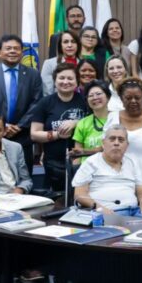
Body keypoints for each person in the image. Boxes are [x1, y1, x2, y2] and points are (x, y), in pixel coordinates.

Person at [0, 35, 42, 174]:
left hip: (23, 135)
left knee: (24, 176)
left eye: (16, 48)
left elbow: (37, 102)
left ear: (22, 52)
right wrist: (3, 126)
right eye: (8, 48)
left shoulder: (33, 74)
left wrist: (19, 126)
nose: (12, 51)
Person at [72, 125, 142, 217]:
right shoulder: (91, 163)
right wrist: (99, 208)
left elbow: (140, 189)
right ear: (103, 143)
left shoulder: (131, 163)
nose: (116, 143)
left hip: (134, 212)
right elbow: (79, 195)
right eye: (112, 139)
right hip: (103, 213)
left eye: (121, 140)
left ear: (127, 145)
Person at [30, 63, 87, 192]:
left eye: (70, 78)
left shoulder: (84, 101)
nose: (65, 82)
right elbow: (34, 134)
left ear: (77, 82)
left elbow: (93, 121)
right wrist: (57, 134)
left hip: (81, 161)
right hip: (53, 164)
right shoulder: (45, 102)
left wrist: (76, 122)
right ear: (55, 81)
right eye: (61, 78)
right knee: (58, 198)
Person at [72, 81, 110, 162]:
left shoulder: (117, 118)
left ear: (108, 97)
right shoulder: (82, 123)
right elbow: (77, 155)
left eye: (98, 94)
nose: (95, 98)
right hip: (87, 168)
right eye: (91, 95)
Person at [41, 30, 80, 95]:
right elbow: (47, 92)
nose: (70, 45)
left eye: (73, 42)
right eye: (66, 42)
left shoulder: (83, 64)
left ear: (78, 45)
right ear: (60, 45)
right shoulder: (49, 64)